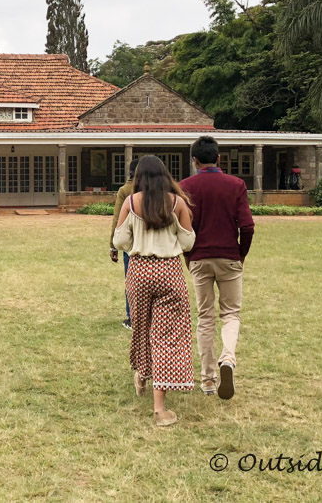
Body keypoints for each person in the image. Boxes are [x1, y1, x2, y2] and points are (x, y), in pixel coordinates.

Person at [113, 155, 196, 427]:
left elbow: (120, 240)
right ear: (164, 175)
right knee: (166, 335)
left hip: (139, 271)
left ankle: (141, 373)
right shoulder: (177, 203)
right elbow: (188, 242)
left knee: (141, 327)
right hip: (168, 271)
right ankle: (160, 408)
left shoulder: (130, 202)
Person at [178, 136, 255, 401]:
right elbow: (247, 226)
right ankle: (228, 359)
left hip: (199, 257)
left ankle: (208, 380)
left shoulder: (185, 187)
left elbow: (183, 228)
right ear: (219, 158)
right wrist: (240, 254)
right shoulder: (236, 185)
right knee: (231, 314)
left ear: (195, 160)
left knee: (205, 317)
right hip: (229, 257)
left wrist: (189, 256)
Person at [110, 158, 141, 329]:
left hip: (129, 242)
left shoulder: (125, 190)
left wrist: (112, 245)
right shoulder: (154, 190)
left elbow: (117, 220)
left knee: (130, 280)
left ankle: (132, 317)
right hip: (149, 244)